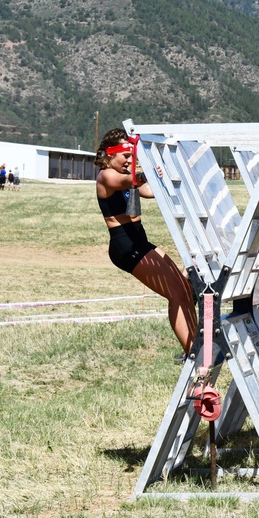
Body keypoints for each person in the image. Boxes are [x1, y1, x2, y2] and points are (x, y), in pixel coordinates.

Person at [95, 128, 197, 355]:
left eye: (133, 156)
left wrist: (162, 176)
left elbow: (148, 190)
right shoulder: (106, 176)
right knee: (178, 294)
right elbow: (129, 180)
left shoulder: (126, 177)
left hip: (139, 242)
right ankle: (192, 352)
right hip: (126, 245)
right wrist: (147, 173)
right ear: (110, 154)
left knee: (186, 290)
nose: (130, 161)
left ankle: (195, 343)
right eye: (126, 156)